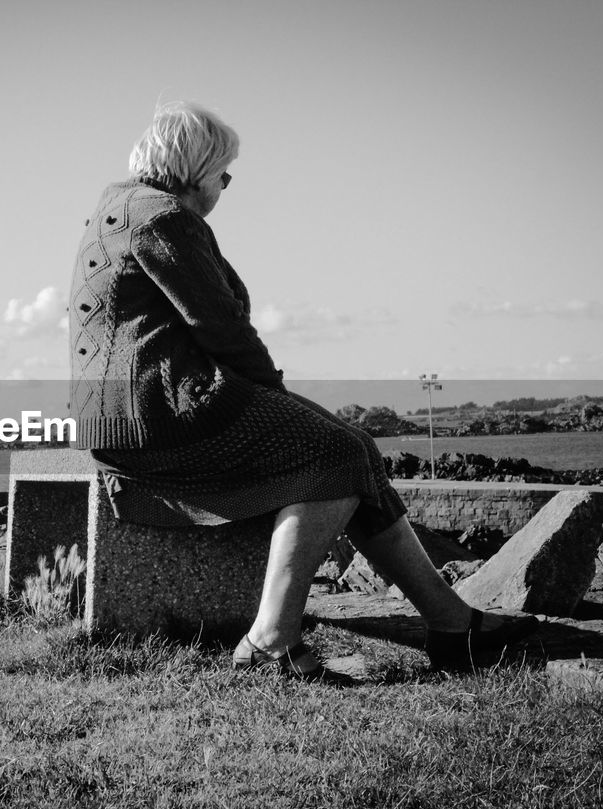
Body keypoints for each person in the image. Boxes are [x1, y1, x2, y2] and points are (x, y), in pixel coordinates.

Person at [68, 102, 537, 678]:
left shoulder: (117, 208)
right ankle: (272, 641)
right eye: (224, 171)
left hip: (127, 411)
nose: (227, 184)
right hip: (163, 411)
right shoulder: (163, 217)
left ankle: (451, 623)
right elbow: (221, 326)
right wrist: (275, 392)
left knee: (355, 446)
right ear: (197, 168)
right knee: (335, 454)